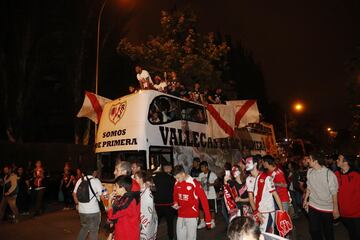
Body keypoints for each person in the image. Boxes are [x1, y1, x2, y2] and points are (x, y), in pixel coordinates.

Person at [303, 153, 339, 240]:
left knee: (328, 232)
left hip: (326, 208)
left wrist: (335, 208)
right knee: (314, 230)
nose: (308, 161)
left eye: (309, 159)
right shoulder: (309, 171)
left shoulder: (329, 174)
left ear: (316, 161)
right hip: (313, 205)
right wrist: (305, 199)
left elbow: (334, 193)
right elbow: (309, 187)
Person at [245, 156, 283, 233]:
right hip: (256, 212)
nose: (246, 164)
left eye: (248, 163)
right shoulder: (248, 179)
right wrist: (255, 211)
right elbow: (251, 198)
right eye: (246, 163)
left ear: (255, 164)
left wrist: (282, 211)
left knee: (266, 235)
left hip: (267, 212)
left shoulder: (267, 178)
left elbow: (275, 195)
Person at [173, 165, 212, 240]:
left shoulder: (194, 183)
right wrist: (175, 202)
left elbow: (204, 201)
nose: (177, 180)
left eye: (178, 178)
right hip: (180, 215)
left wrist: (208, 220)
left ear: (183, 174)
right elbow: (175, 195)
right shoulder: (177, 182)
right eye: (175, 178)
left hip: (192, 217)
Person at [73, 168, 104, 240]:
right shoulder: (96, 181)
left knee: (84, 228)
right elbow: (102, 197)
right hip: (93, 211)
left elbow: (74, 194)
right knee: (93, 231)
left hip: (82, 211)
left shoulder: (80, 180)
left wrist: (77, 204)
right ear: (94, 172)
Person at [107, 175, 140, 240]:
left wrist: (109, 201)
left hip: (127, 235)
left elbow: (111, 215)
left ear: (123, 187)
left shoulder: (128, 202)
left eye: (116, 186)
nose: (114, 189)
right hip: (124, 231)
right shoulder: (128, 196)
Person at [335, 154, 360, 240]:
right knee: (352, 234)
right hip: (343, 214)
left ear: (346, 162)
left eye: (339, 159)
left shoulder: (356, 175)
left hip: (357, 214)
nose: (336, 160)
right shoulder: (336, 174)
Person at [152, 161, 176, 240]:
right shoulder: (171, 178)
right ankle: (171, 237)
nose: (171, 169)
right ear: (168, 168)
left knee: (156, 223)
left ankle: (151, 237)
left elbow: (153, 188)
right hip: (168, 204)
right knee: (170, 223)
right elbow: (174, 190)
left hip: (158, 204)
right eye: (171, 167)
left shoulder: (155, 177)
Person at [134, 170, 158, 240]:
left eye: (136, 178)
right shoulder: (137, 189)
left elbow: (148, 207)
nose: (134, 180)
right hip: (140, 218)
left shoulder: (147, 189)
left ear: (141, 179)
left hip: (147, 218)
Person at [197, 161, 217, 229]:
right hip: (203, 195)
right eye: (201, 167)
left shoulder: (212, 174)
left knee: (212, 209)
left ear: (206, 167)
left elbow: (217, 182)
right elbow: (199, 183)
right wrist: (200, 184)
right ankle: (202, 222)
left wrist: (211, 184)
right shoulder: (200, 174)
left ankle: (212, 222)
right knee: (201, 209)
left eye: (202, 167)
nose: (201, 168)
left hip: (211, 195)